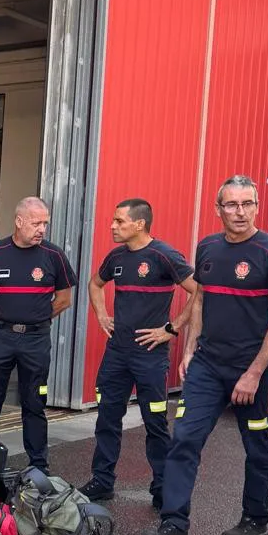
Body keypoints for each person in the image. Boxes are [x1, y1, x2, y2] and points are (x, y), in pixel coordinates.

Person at [141, 176, 268, 535]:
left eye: (247, 204)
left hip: (252, 372)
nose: (240, 212)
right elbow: (200, 302)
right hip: (208, 368)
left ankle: (255, 520)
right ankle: (174, 526)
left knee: (257, 445)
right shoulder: (208, 247)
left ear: (258, 207)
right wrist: (190, 351)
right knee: (185, 439)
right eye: (231, 204)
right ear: (218, 209)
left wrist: (255, 373)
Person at [82, 199, 197, 507]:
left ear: (139, 224)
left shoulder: (164, 255)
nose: (112, 226)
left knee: (155, 423)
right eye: (113, 220)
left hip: (150, 356)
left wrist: (171, 329)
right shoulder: (116, 257)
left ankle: (162, 487)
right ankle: (102, 481)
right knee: (107, 419)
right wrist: (102, 315)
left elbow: (199, 290)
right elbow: (95, 284)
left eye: (119, 221)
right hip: (117, 353)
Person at [0, 196, 77, 472]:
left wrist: (35, 318)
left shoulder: (54, 256)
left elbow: (64, 299)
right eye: (36, 223)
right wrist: (1, 317)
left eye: (45, 224)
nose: (42, 229)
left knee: (34, 403)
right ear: (19, 221)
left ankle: (38, 465)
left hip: (35, 340)